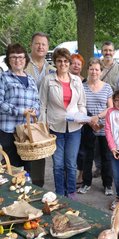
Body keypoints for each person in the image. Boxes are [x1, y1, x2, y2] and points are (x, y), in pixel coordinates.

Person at [39, 48, 87, 199]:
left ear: (69, 62)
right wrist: (43, 124)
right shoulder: (48, 80)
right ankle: (59, 192)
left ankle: (71, 192)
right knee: (58, 164)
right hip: (55, 127)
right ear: (55, 62)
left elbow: (82, 103)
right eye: (59, 61)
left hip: (74, 128)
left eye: (66, 61)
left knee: (71, 164)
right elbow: (42, 104)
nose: (63, 64)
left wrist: (82, 117)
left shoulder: (77, 80)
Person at [0, 43, 40, 172]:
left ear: (26, 60)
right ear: (8, 60)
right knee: (11, 167)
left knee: (28, 167)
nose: (18, 60)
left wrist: (35, 111)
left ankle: (26, 191)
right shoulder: (3, 77)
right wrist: (20, 112)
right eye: (14, 57)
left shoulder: (31, 80)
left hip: (27, 132)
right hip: (9, 131)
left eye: (21, 57)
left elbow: (37, 101)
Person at [77, 58, 114, 196]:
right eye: (91, 69)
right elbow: (80, 105)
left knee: (106, 157)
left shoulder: (107, 87)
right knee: (87, 156)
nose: (94, 72)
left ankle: (108, 184)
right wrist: (89, 120)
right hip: (88, 126)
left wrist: (98, 117)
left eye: (97, 69)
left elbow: (110, 108)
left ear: (101, 71)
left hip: (103, 126)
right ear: (88, 70)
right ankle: (86, 183)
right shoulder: (82, 86)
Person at [25, 32, 56, 187]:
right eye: (37, 43)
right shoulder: (23, 65)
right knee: (23, 151)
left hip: (42, 118)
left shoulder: (51, 69)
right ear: (31, 45)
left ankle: (37, 187)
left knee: (39, 152)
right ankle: (20, 185)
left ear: (47, 47)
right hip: (24, 116)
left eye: (43, 44)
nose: (40, 47)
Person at [93, 41, 119, 178]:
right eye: (105, 50)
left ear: (114, 52)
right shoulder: (97, 67)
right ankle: (99, 167)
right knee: (96, 143)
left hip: (113, 109)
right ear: (102, 51)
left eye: (110, 50)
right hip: (97, 108)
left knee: (110, 140)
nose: (108, 53)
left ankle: (110, 169)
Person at [69, 53, 86, 186]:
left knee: (82, 150)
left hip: (82, 120)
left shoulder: (84, 81)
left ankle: (81, 173)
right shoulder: (65, 80)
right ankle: (69, 174)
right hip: (67, 121)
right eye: (73, 63)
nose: (76, 65)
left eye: (78, 64)